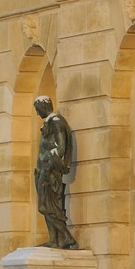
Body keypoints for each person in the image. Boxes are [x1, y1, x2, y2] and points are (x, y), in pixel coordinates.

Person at [33, 95, 79, 249]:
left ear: (44, 106)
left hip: (50, 171)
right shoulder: (49, 122)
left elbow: (60, 147)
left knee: (47, 206)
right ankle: (54, 239)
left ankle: (66, 236)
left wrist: (48, 166)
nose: (37, 112)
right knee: (46, 206)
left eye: (38, 109)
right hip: (43, 170)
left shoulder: (56, 121)